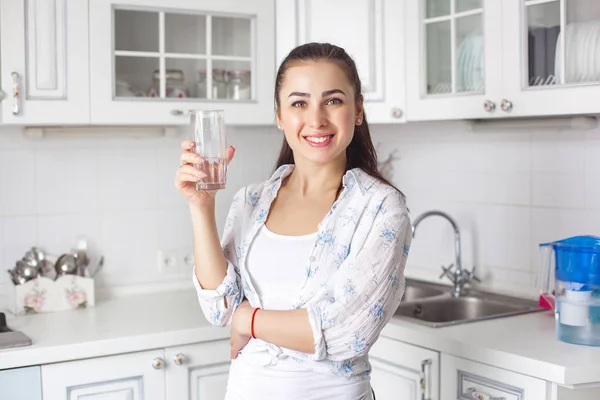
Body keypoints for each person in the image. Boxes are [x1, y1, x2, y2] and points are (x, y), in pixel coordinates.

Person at [174, 42, 412, 400]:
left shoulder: (381, 208)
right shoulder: (251, 201)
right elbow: (218, 305)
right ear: (280, 115)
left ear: (358, 110)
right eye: (299, 103)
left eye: (333, 100)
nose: (316, 119)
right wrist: (201, 206)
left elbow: (347, 331)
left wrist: (247, 321)